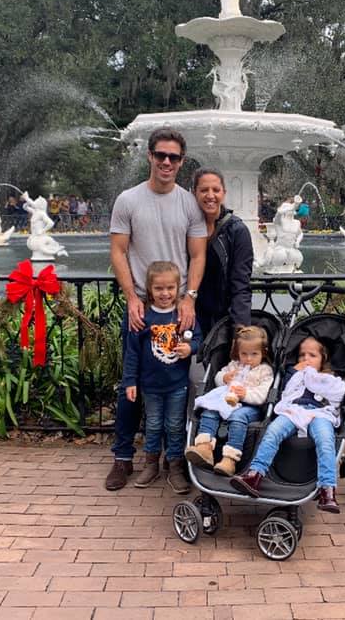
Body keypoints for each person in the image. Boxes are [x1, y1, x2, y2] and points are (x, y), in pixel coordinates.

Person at [106, 127, 207, 491]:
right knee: (132, 382)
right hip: (141, 307)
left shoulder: (188, 203)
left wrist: (190, 297)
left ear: (181, 162)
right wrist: (132, 297)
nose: (166, 162)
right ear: (150, 156)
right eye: (160, 155)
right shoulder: (128, 200)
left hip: (177, 307)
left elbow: (198, 254)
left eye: (174, 157)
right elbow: (118, 251)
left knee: (176, 383)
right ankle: (123, 459)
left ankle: (174, 459)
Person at [231, 337, 345, 513]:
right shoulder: (295, 374)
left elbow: (338, 395)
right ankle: (254, 475)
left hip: (320, 414)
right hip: (294, 410)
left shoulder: (330, 378)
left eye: (312, 355)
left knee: (325, 441)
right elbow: (286, 392)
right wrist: (295, 372)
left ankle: (327, 489)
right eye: (301, 355)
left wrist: (315, 379)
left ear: (323, 358)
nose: (305, 359)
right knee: (273, 431)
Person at [121, 261, 201, 493]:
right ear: (149, 289)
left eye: (170, 288)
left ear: (178, 289)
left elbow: (198, 338)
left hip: (177, 385)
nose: (165, 293)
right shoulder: (143, 317)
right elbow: (132, 353)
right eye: (158, 289)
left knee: (175, 426)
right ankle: (151, 464)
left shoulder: (183, 314)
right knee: (153, 425)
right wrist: (130, 382)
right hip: (150, 386)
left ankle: (175, 467)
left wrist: (191, 348)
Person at [185, 326, 274, 476]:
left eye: (254, 354)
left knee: (237, 417)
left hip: (249, 407)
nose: (248, 358)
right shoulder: (235, 365)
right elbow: (219, 377)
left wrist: (245, 394)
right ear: (237, 352)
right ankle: (204, 447)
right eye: (244, 354)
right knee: (210, 409)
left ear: (263, 353)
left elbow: (262, 396)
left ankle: (230, 459)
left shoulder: (265, 370)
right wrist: (224, 378)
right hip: (226, 401)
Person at [191, 168, 254, 335]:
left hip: (223, 319)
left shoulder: (237, 230)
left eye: (216, 190)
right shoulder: (185, 226)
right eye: (204, 190)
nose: (210, 195)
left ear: (224, 193)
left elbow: (241, 284)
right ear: (193, 192)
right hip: (189, 315)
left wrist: (240, 330)